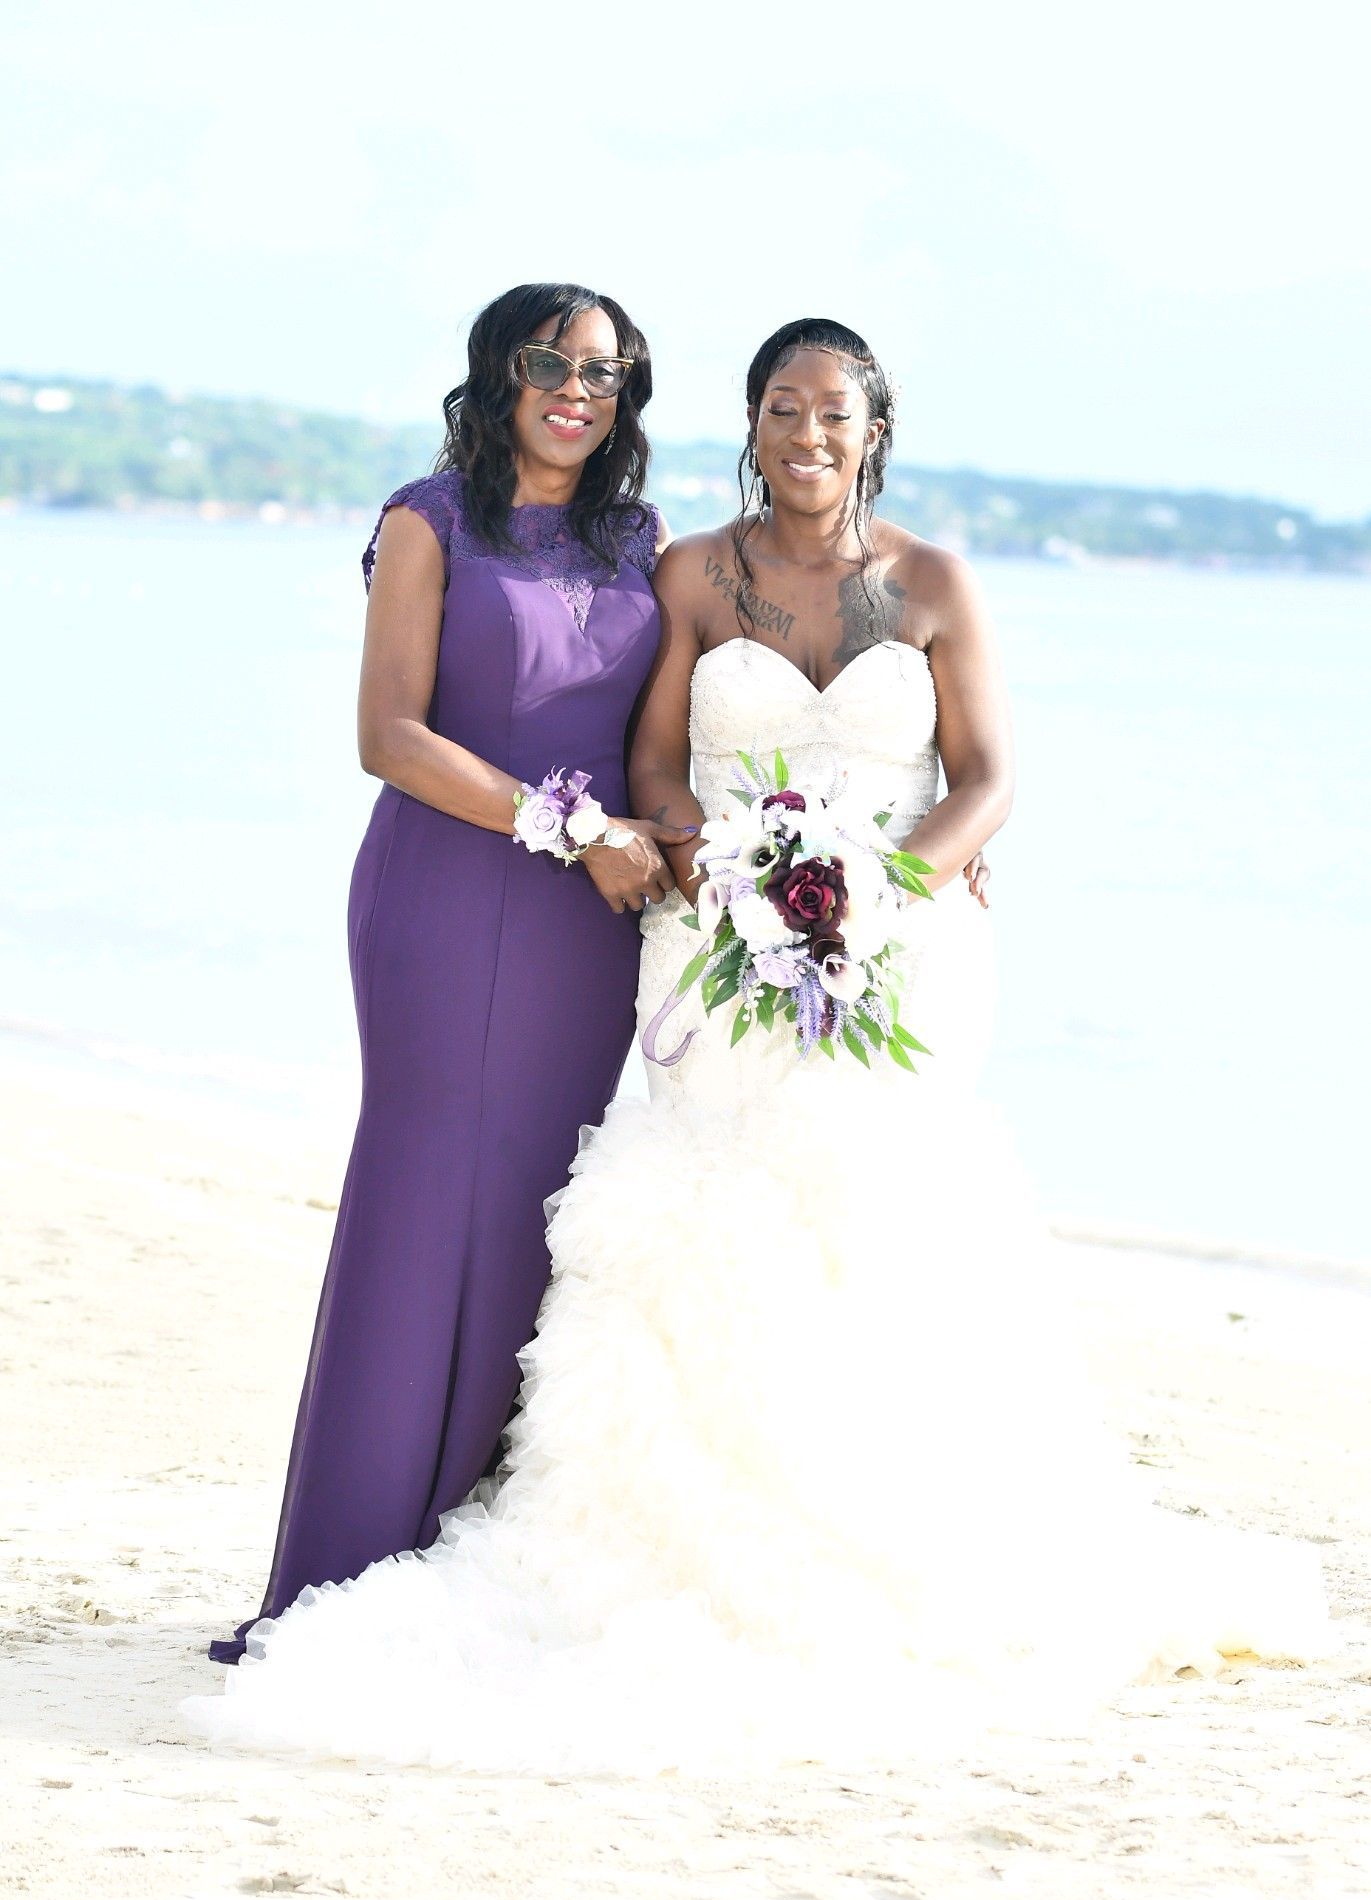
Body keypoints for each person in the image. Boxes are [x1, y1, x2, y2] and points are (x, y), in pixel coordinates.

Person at [191, 317, 1326, 1770]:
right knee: (698, 1215)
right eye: (781, 407)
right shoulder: (687, 569)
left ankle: (891, 1531)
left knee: (876, 1233)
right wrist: (713, 853)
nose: (806, 434)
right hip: (717, 944)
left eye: (831, 413)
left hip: (900, 964)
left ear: (872, 426)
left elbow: (985, 780)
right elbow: (652, 756)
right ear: (751, 420)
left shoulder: (931, 581)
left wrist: (888, 886)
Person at [208, 282, 695, 1663]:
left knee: (538, 1219)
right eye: (551, 361)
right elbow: (391, 736)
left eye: (608, 372)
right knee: (423, 1206)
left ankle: (471, 1562)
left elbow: (668, 732)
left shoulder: (638, 536)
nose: (577, 389)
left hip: (588, 924)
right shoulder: (427, 521)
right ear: (497, 373)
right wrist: (569, 822)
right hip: (449, 889)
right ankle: (344, 1574)